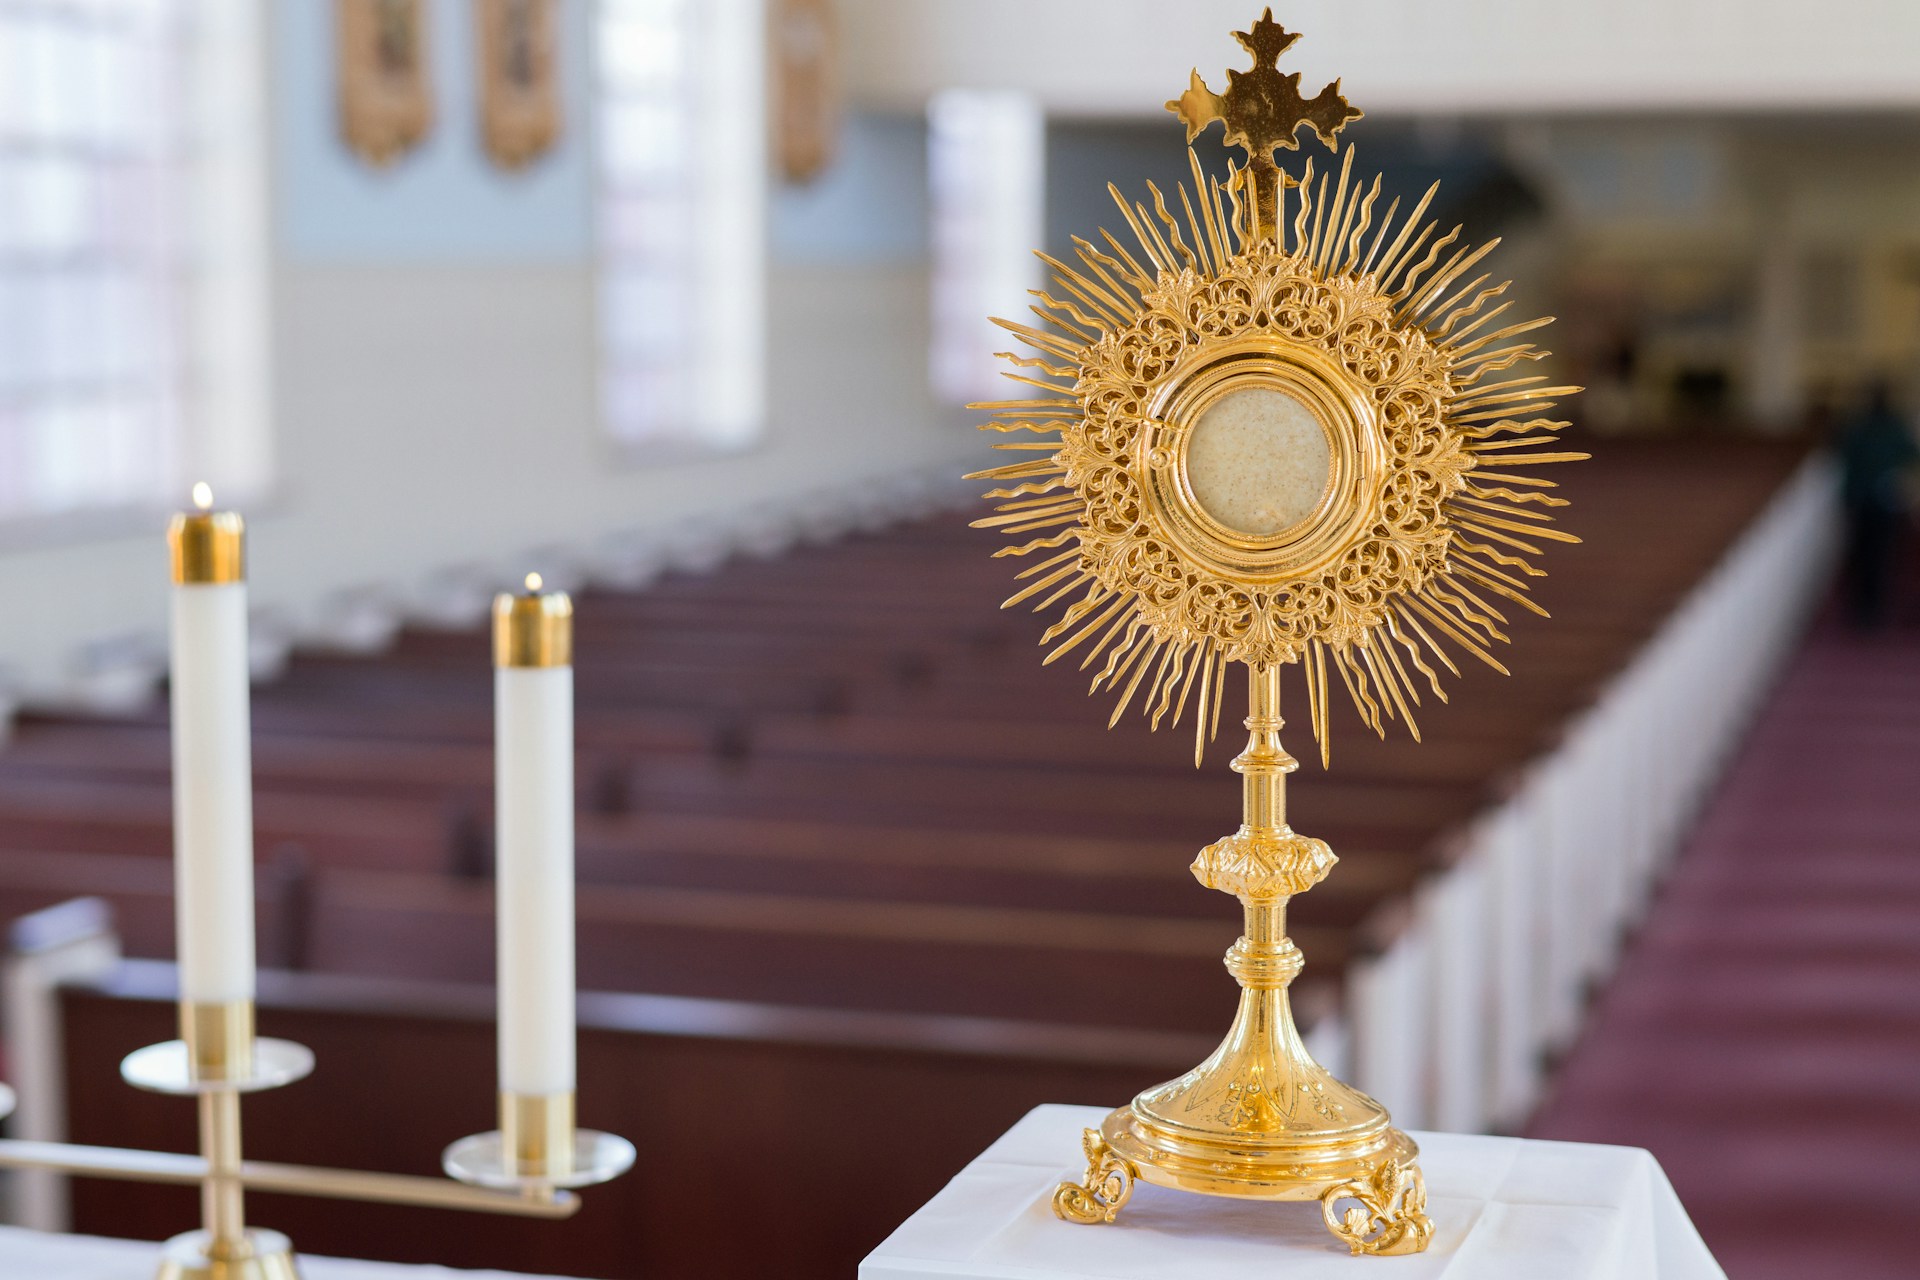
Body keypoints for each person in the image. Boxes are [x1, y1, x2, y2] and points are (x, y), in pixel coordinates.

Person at [1837, 380, 1919, 629]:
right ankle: (1871, 609)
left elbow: (1843, 453)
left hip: (1863, 500)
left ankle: (1865, 609)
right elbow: (1911, 454)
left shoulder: (1859, 426)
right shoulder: (1889, 427)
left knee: (1865, 554)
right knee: (1877, 555)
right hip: (1879, 500)